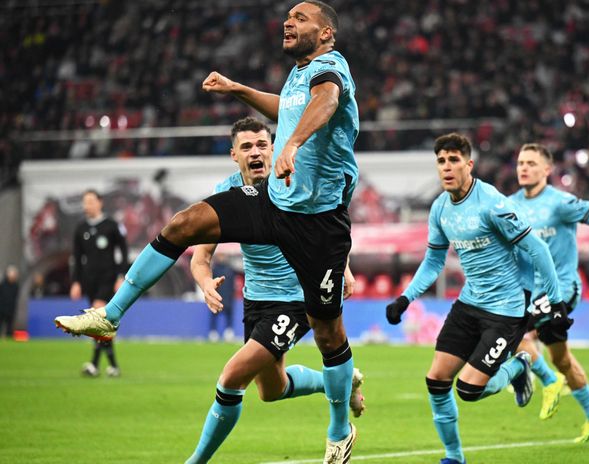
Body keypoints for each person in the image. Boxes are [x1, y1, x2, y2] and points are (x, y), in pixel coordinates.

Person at [55, 2, 360, 461]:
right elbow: (288, 110)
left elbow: (327, 102)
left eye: (301, 17)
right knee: (186, 223)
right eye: (288, 16)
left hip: (318, 225)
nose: (288, 21)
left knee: (329, 334)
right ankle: (111, 314)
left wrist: (293, 143)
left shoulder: (331, 68)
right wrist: (239, 89)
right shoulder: (298, 76)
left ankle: (339, 431)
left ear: (326, 33)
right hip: (275, 204)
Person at [186, 117, 364, 463]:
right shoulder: (226, 194)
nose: (256, 152)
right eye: (246, 147)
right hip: (256, 300)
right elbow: (200, 258)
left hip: (296, 298)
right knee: (272, 389)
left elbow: (329, 228)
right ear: (234, 155)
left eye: (262, 145)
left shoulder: (292, 182)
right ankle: (343, 382)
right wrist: (205, 282)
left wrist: (343, 268)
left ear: (273, 148)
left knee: (232, 377)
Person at [385, 133, 570, 464]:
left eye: (453, 160)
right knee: (436, 380)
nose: (446, 167)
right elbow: (434, 261)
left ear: (468, 164)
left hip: (506, 310)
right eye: (441, 161)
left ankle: (520, 366)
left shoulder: (492, 203)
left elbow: (537, 249)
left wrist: (556, 303)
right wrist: (405, 298)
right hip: (469, 303)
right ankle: (454, 457)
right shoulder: (440, 208)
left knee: (469, 390)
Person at [509, 143, 589, 442]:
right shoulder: (509, 204)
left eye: (531, 163)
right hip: (530, 292)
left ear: (547, 169)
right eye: (520, 163)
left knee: (514, 333)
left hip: (562, 288)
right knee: (562, 359)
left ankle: (548, 381)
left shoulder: (561, 203)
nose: (524, 168)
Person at [71, 189, 128, 377]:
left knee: (97, 318)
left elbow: (123, 251)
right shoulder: (81, 228)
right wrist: (76, 282)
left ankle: (95, 365)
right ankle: (111, 366)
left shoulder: (112, 226)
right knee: (101, 323)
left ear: (99, 202)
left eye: (90, 201)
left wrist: (121, 276)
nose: (87, 205)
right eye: (85, 202)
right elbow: (77, 258)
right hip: (89, 280)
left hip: (108, 278)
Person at [207, 251, 237, 342]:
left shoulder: (230, 269)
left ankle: (229, 332)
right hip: (216, 297)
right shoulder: (214, 269)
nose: (222, 257)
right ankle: (213, 333)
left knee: (229, 315)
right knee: (214, 314)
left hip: (228, 297)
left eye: (223, 255)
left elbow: (233, 284)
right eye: (220, 255)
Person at [0, 265, 20, 338]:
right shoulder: (2, 285)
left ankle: (8, 337)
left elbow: (16, 297)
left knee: (10, 325)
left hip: (11, 308)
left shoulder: (16, 286)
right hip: (2, 308)